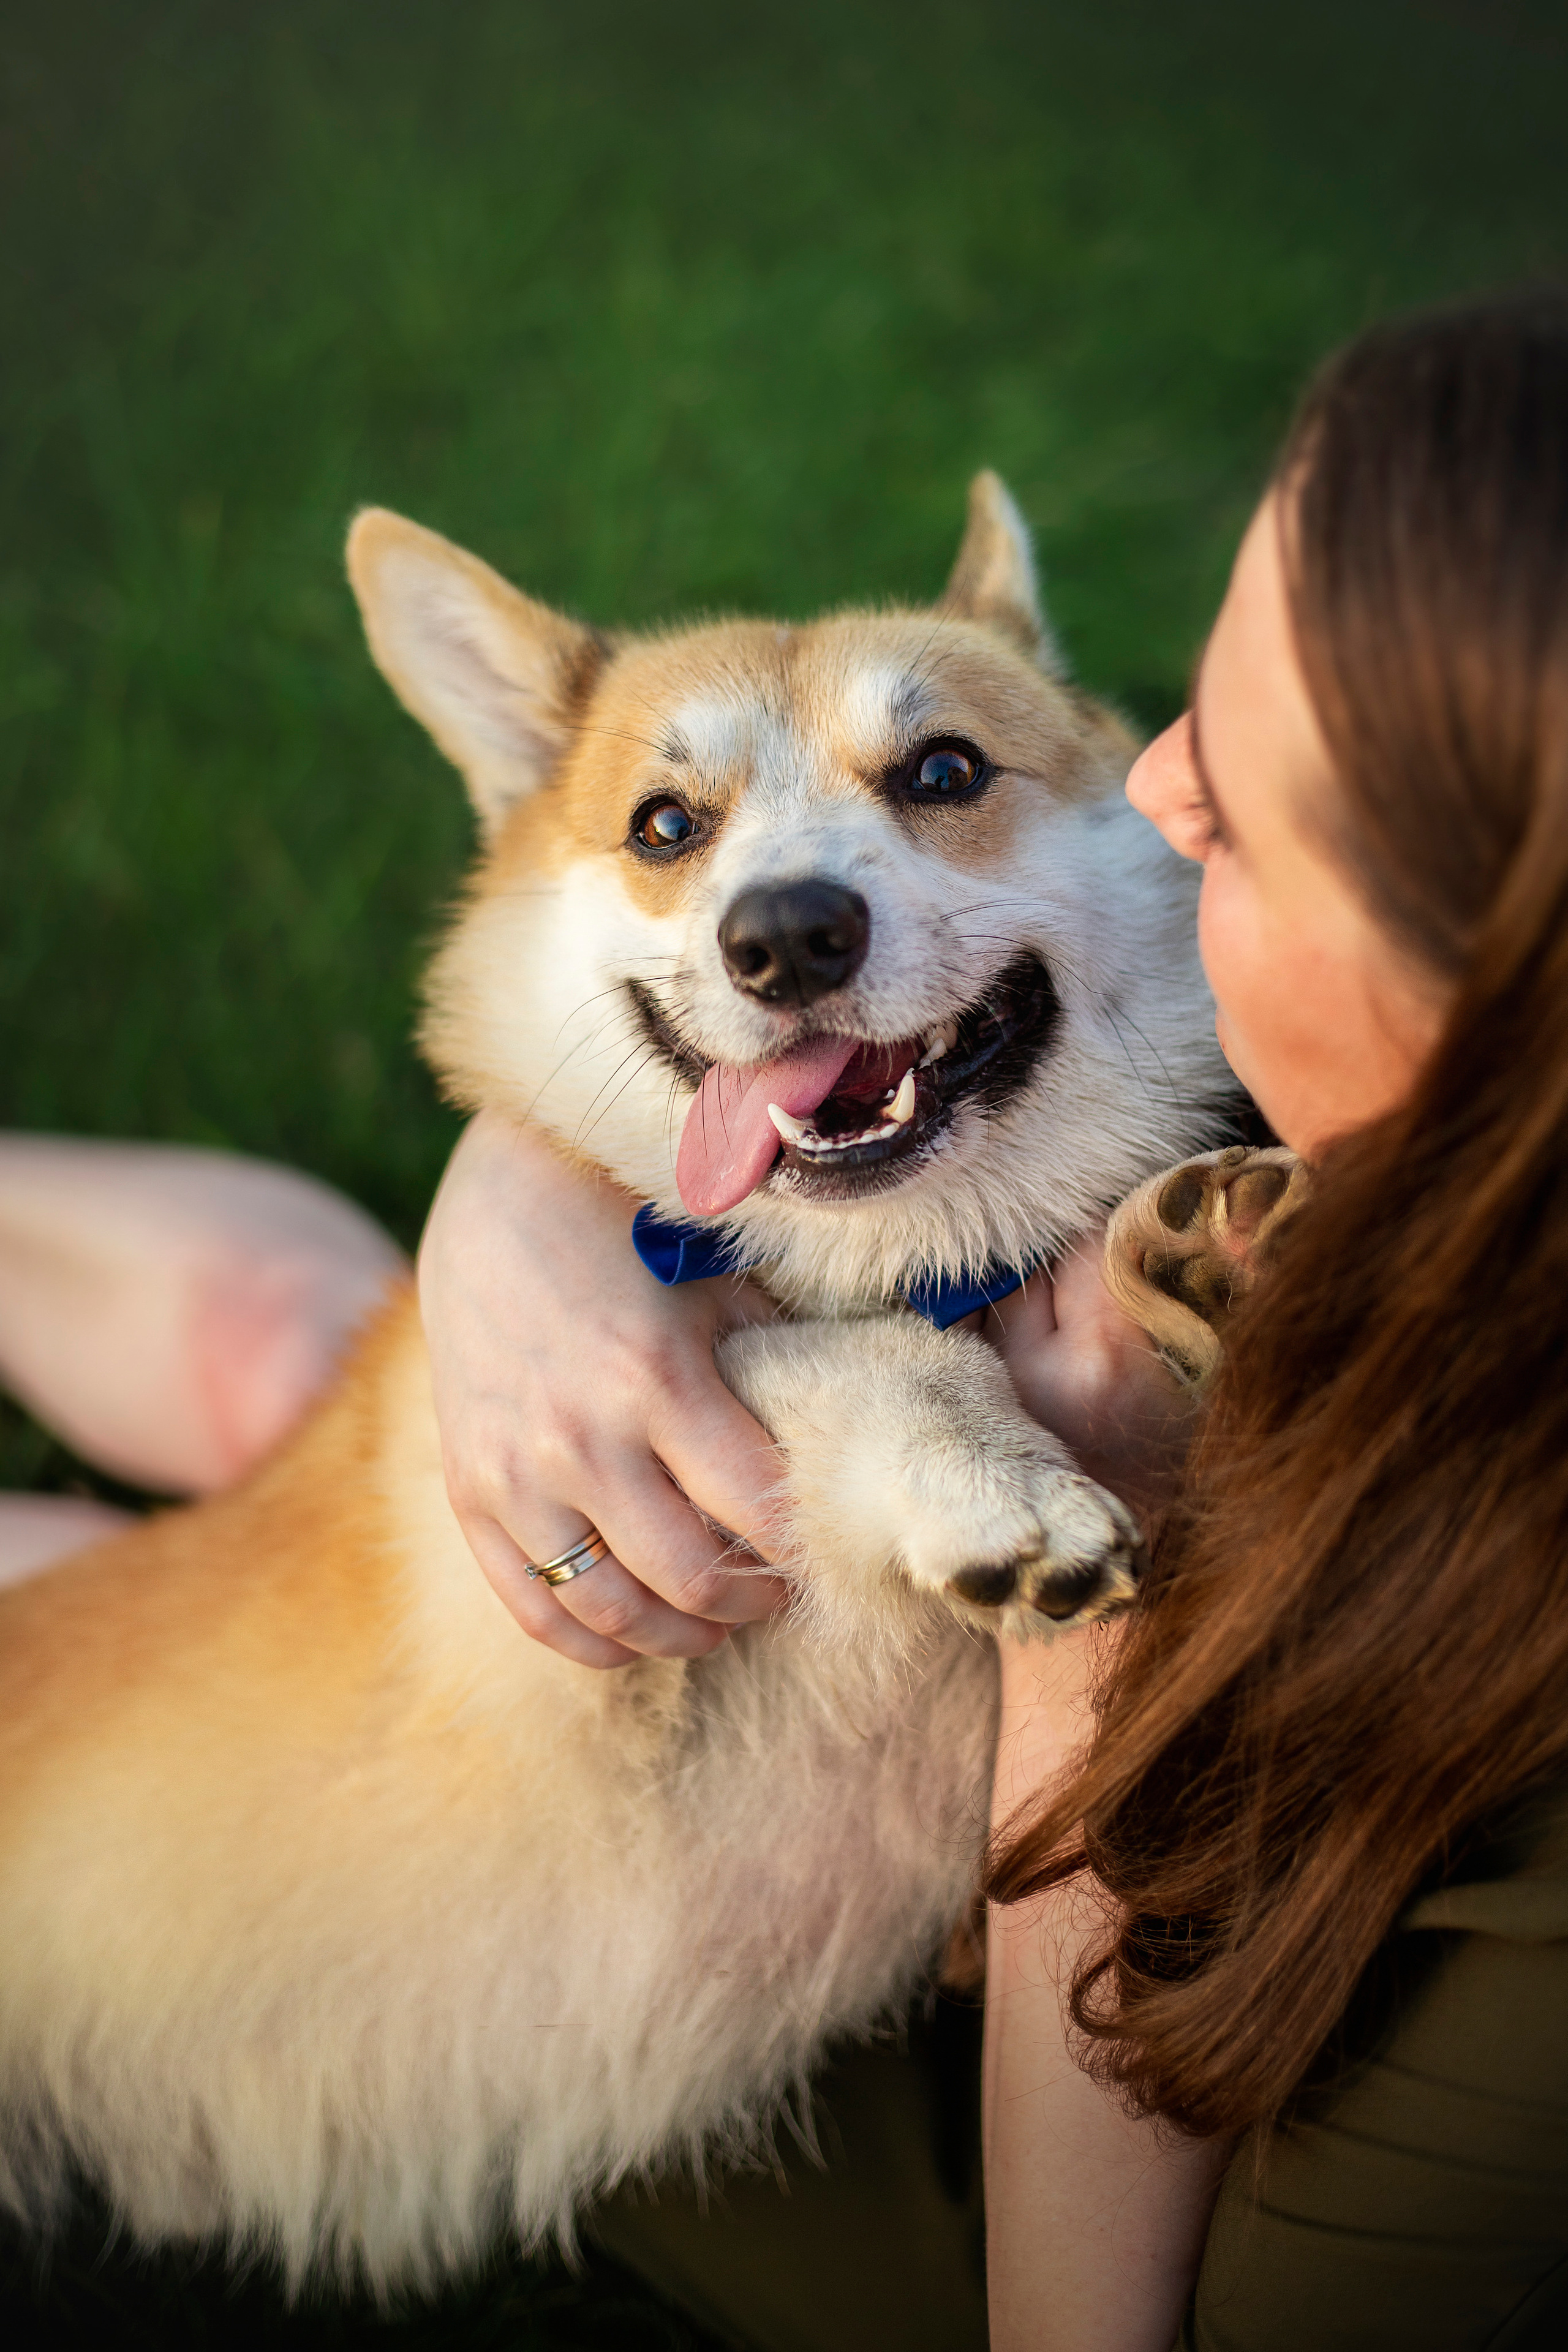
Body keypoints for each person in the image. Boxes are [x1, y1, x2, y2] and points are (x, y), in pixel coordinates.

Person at [7, 287, 1566, 2348]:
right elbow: (579, 1045)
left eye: (938, 773)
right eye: (677, 830)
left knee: (272, 1387)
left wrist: (933, 1435)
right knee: (294, 1363)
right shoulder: (1280, 1087)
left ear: (1465, 964)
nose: (791, 899)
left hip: (848, 2101)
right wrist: (535, 1197)